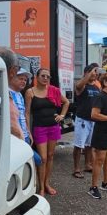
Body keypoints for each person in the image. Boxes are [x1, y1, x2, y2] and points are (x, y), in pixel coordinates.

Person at [25, 68, 69, 196]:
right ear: (37, 77)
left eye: (48, 77)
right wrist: (28, 130)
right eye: (43, 76)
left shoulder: (54, 90)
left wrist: (62, 115)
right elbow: (27, 113)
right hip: (40, 128)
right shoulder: (30, 92)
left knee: (50, 156)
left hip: (53, 127)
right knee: (42, 158)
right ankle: (41, 186)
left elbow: (66, 102)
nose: (46, 78)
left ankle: (46, 184)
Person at [72, 64, 101, 178]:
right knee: (79, 145)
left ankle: (87, 165)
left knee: (89, 145)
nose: (96, 73)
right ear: (87, 72)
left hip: (93, 120)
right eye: (94, 71)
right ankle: (76, 168)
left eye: (96, 72)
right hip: (83, 120)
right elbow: (78, 86)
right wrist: (89, 74)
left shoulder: (96, 87)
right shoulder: (82, 85)